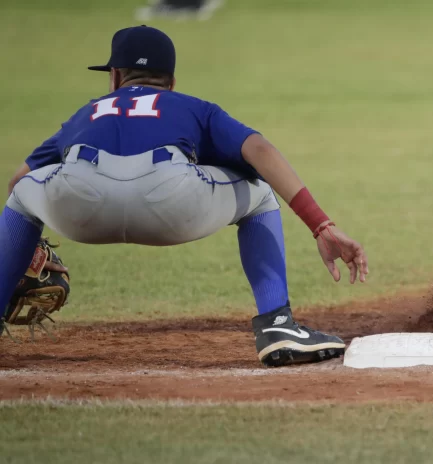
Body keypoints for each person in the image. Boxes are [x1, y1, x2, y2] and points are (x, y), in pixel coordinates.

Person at [0, 25, 369, 367]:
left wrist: (25, 246)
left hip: (78, 203)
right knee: (258, 192)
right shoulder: (191, 107)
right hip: (170, 203)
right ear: (171, 82)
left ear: (115, 77)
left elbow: (19, 179)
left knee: (22, 196)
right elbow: (259, 149)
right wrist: (320, 225)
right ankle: (278, 326)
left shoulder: (87, 113)